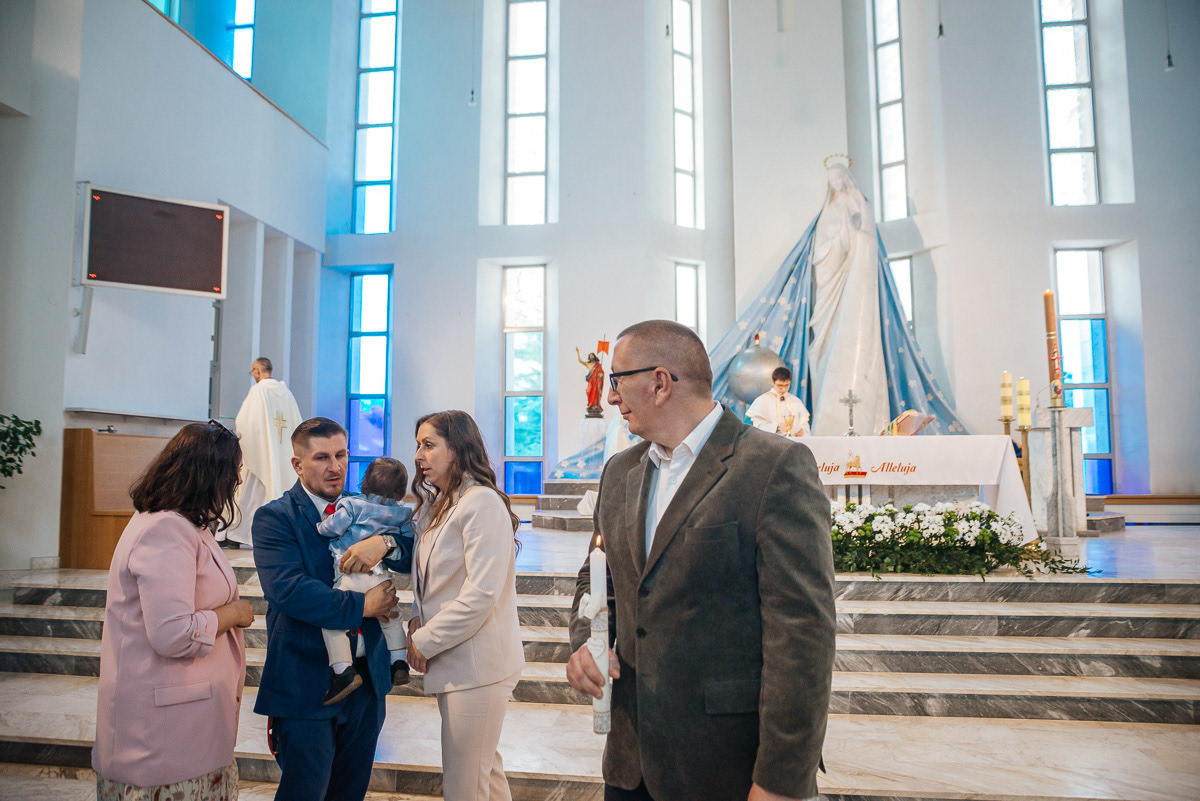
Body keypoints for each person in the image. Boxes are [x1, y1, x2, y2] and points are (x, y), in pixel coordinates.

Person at [565, 320, 836, 801]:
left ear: (660, 383)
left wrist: (781, 781)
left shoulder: (773, 466)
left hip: (725, 766)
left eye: (618, 380)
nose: (609, 396)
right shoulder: (620, 472)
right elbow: (597, 576)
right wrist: (588, 641)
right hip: (631, 764)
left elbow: (802, 634)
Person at [92, 421, 255, 801]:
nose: (236, 482)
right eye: (232, 473)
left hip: (186, 720)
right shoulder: (165, 529)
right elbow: (172, 633)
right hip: (161, 734)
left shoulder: (185, 523)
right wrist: (235, 614)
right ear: (207, 474)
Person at [252, 417, 408, 801]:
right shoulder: (276, 517)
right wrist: (363, 605)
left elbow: (412, 550)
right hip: (307, 681)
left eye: (341, 455)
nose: (335, 466)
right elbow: (289, 590)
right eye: (322, 457)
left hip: (367, 681)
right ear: (298, 464)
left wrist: (386, 543)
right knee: (306, 791)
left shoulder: (365, 505)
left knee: (349, 792)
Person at [407, 410, 525, 801]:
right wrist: (415, 618)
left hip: (478, 665)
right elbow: (429, 577)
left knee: (464, 788)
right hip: (457, 660)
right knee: (483, 777)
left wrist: (425, 640)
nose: (419, 456)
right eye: (418, 446)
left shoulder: (481, 503)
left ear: (458, 448)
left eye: (429, 445)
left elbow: (481, 593)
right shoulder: (442, 503)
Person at [316, 456, 415, 705]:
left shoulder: (352, 504)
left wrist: (322, 525)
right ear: (401, 491)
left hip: (350, 574)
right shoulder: (403, 513)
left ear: (364, 483)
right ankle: (399, 662)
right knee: (392, 618)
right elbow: (410, 542)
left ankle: (343, 670)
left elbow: (332, 528)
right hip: (380, 576)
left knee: (333, 621)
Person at [224, 356, 304, 547]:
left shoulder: (258, 391)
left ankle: (237, 536)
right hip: (283, 458)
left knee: (250, 495)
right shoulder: (287, 394)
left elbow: (245, 423)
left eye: (253, 371)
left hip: (260, 455)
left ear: (257, 370)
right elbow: (298, 425)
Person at [746, 366, 811, 437]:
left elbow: (805, 425)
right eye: (780, 385)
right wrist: (777, 427)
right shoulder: (762, 400)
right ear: (772, 382)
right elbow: (757, 426)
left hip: (793, 441)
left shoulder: (796, 401)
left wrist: (802, 432)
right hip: (771, 440)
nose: (783, 389)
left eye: (787, 385)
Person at [577, 347, 606, 415]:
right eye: (590, 356)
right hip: (591, 381)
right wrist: (578, 353)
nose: (591, 357)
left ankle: (595, 405)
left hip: (596, 381)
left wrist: (601, 374)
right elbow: (580, 361)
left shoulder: (598, 364)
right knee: (588, 391)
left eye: (592, 355)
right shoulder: (588, 364)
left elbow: (601, 372)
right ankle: (590, 404)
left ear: (594, 356)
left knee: (595, 392)